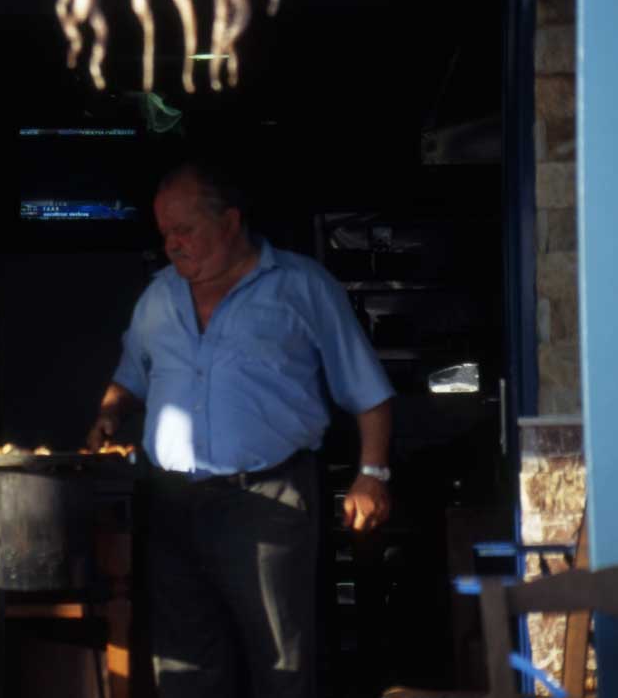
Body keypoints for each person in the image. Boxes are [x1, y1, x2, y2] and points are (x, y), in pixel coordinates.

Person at [87, 160, 394, 698]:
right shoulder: (159, 296)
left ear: (230, 223)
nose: (173, 245)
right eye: (165, 234)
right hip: (172, 504)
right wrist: (110, 414)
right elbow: (129, 377)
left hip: (266, 497)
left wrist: (372, 473)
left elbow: (368, 391)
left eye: (186, 230)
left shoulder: (301, 286)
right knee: (185, 665)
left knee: (280, 661)